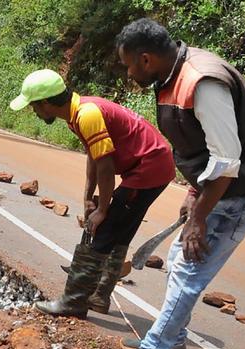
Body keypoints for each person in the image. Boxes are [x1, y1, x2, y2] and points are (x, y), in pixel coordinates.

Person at [95, 18, 245, 349]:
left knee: (188, 270)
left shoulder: (202, 81)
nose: (129, 73)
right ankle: (173, 342)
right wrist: (193, 191)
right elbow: (202, 149)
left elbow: (227, 162)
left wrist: (199, 218)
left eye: (129, 65)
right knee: (177, 261)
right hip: (224, 184)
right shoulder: (174, 78)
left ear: (146, 59)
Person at [9, 69, 175, 318]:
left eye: (33, 106)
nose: (34, 112)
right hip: (152, 165)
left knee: (105, 228)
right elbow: (94, 157)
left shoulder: (87, 114)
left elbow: (106, 166)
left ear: (45, 103)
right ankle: (98, 297)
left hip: (148, 168)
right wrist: (88, 197)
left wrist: (102, 210)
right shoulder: (77, 113)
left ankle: (73, 302)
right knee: (120, 230)